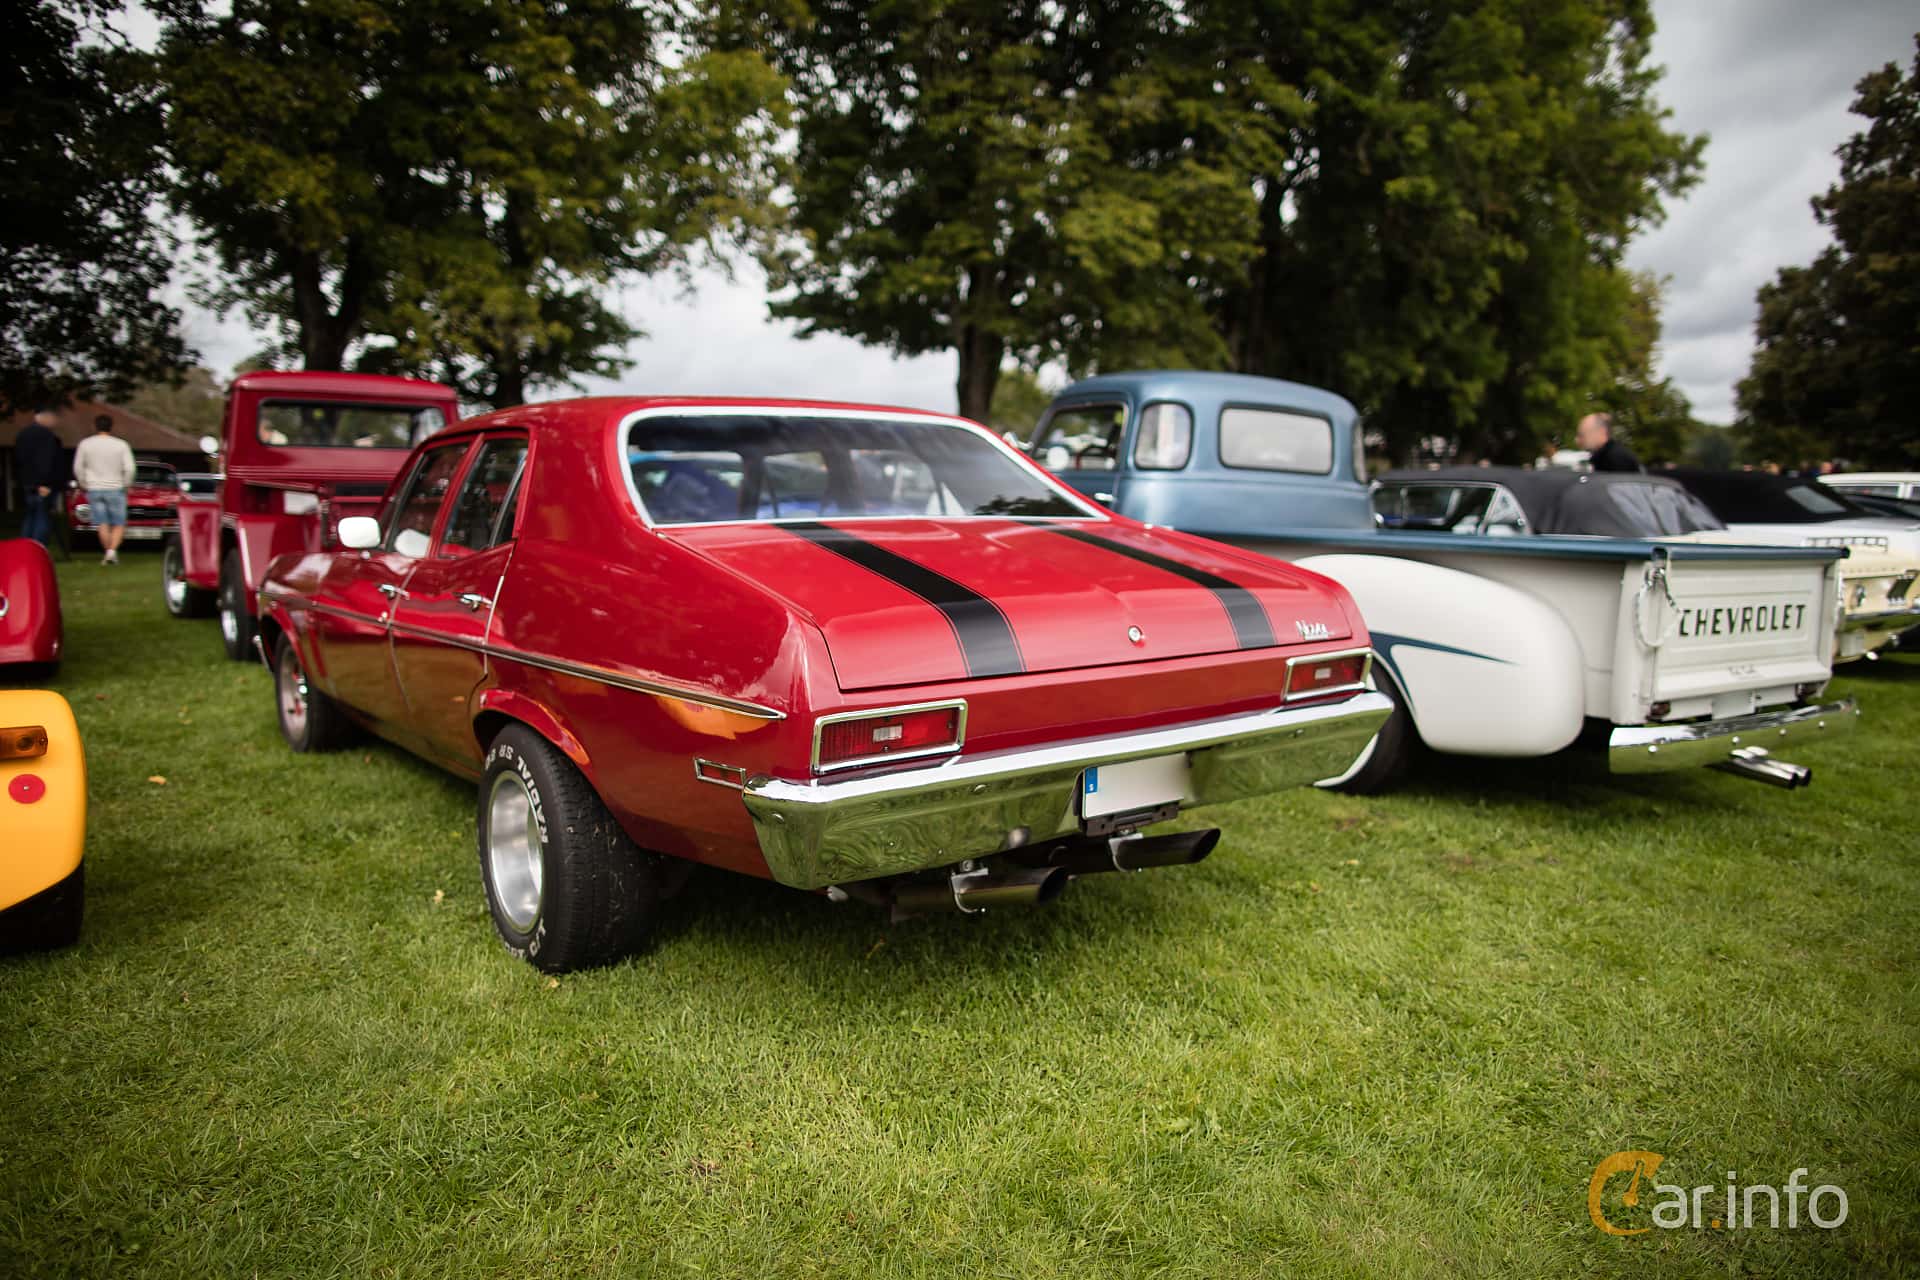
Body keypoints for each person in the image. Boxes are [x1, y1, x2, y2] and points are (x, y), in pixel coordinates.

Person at [72, 412, 135, 564]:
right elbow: (130, 468)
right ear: (111, 427)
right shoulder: (121, 445)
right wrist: (126, 484)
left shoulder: (86, 444)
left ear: (95, 426)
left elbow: (78, 467)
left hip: (94, 487)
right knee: (119, 523)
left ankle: (108, 553)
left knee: (102, 522)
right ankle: (112, 551)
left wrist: (84, 483)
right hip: (115, 487)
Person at [13, 406, 64, 547]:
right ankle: (37, 547)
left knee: (30, 515)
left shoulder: (22, 434)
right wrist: (45, 483)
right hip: (42, 483)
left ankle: (25, 546)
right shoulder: (46, 436)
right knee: (42, 516)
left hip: (27, 481)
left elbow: (19, 459)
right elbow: (45, 460)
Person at [1575, 411, 1642, 473]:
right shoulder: (1602, 457)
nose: (1577, 440)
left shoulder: (1617, 458)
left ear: (1601, 432)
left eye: (1583, 435)